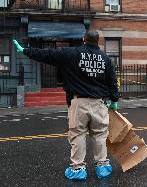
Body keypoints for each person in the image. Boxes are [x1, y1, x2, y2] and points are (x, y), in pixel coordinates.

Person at [13, 30, 119, 180]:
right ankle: (102, 166)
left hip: (78, 102)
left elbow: (47, 54)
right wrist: (114, 100)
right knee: (100, 135)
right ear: (97, 42)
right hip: (99, 103)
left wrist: (25, 51)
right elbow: (112, 81)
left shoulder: (71, 53)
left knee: (78, 134)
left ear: (84, 39)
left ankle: (78, 169)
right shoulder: (106, 59)